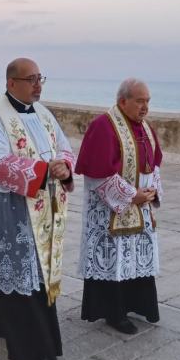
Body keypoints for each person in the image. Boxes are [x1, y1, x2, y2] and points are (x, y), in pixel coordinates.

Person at [0, 58, 75, 360]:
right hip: (10, 207)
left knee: (33, 271)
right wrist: (46, 170)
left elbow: (65, 146)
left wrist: (64, 165)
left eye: (40, 78)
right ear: (11, 82)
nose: (38, 84)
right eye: (31, 79)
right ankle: (28, 348)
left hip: (43, 204)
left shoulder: (43, 113)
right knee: (17, 270)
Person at [75, 78, 163, 334]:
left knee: (137, 258)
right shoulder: (103, 126)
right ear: (122, 101)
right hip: (111, 212)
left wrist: (152, 190)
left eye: (147, 101)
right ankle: (113, 312)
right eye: (139, 101)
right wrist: (130, 195)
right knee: (113, 261)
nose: (145, 107)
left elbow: (154, 163)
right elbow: (97, 173)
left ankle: (138, 304)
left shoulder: (145, 127)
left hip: (140, 206)